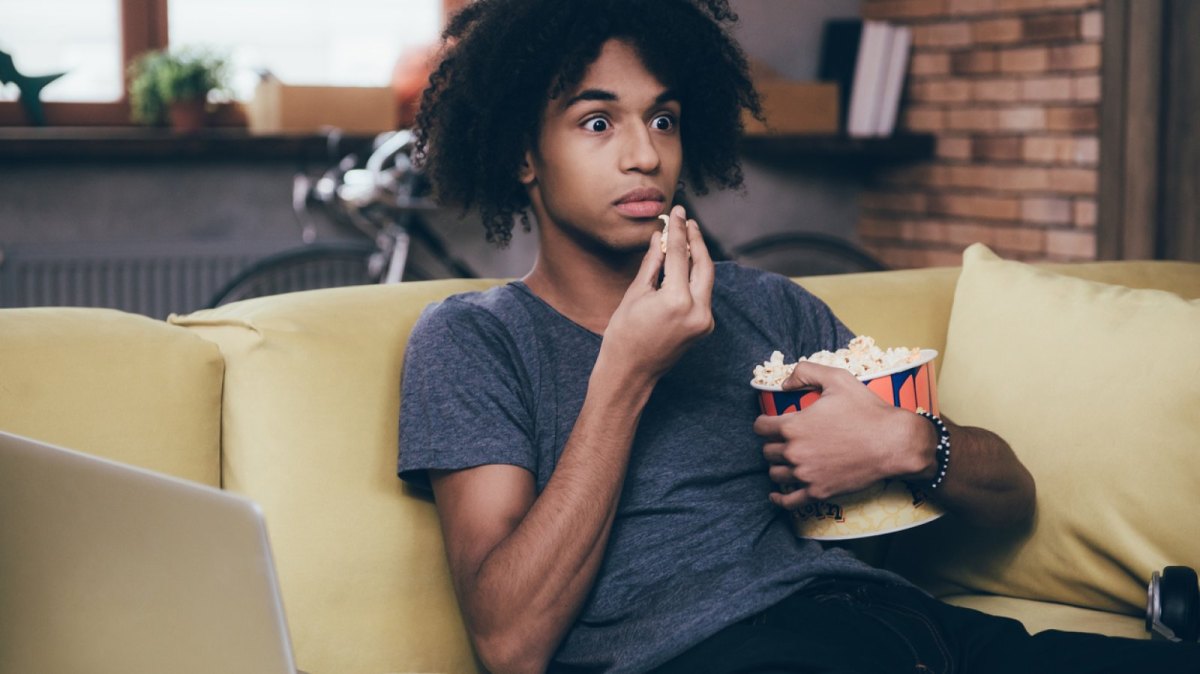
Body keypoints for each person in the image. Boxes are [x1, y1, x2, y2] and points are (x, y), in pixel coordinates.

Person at [397, 1, 1200, 672]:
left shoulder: (769, 306)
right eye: (598, 121)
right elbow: (510, 642)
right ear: (522, 156)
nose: (645, 155)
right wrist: (625, 373)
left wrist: (907, 443)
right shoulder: (474, 339)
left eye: (664, 118)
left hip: (914, 632)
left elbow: (1013, 500)